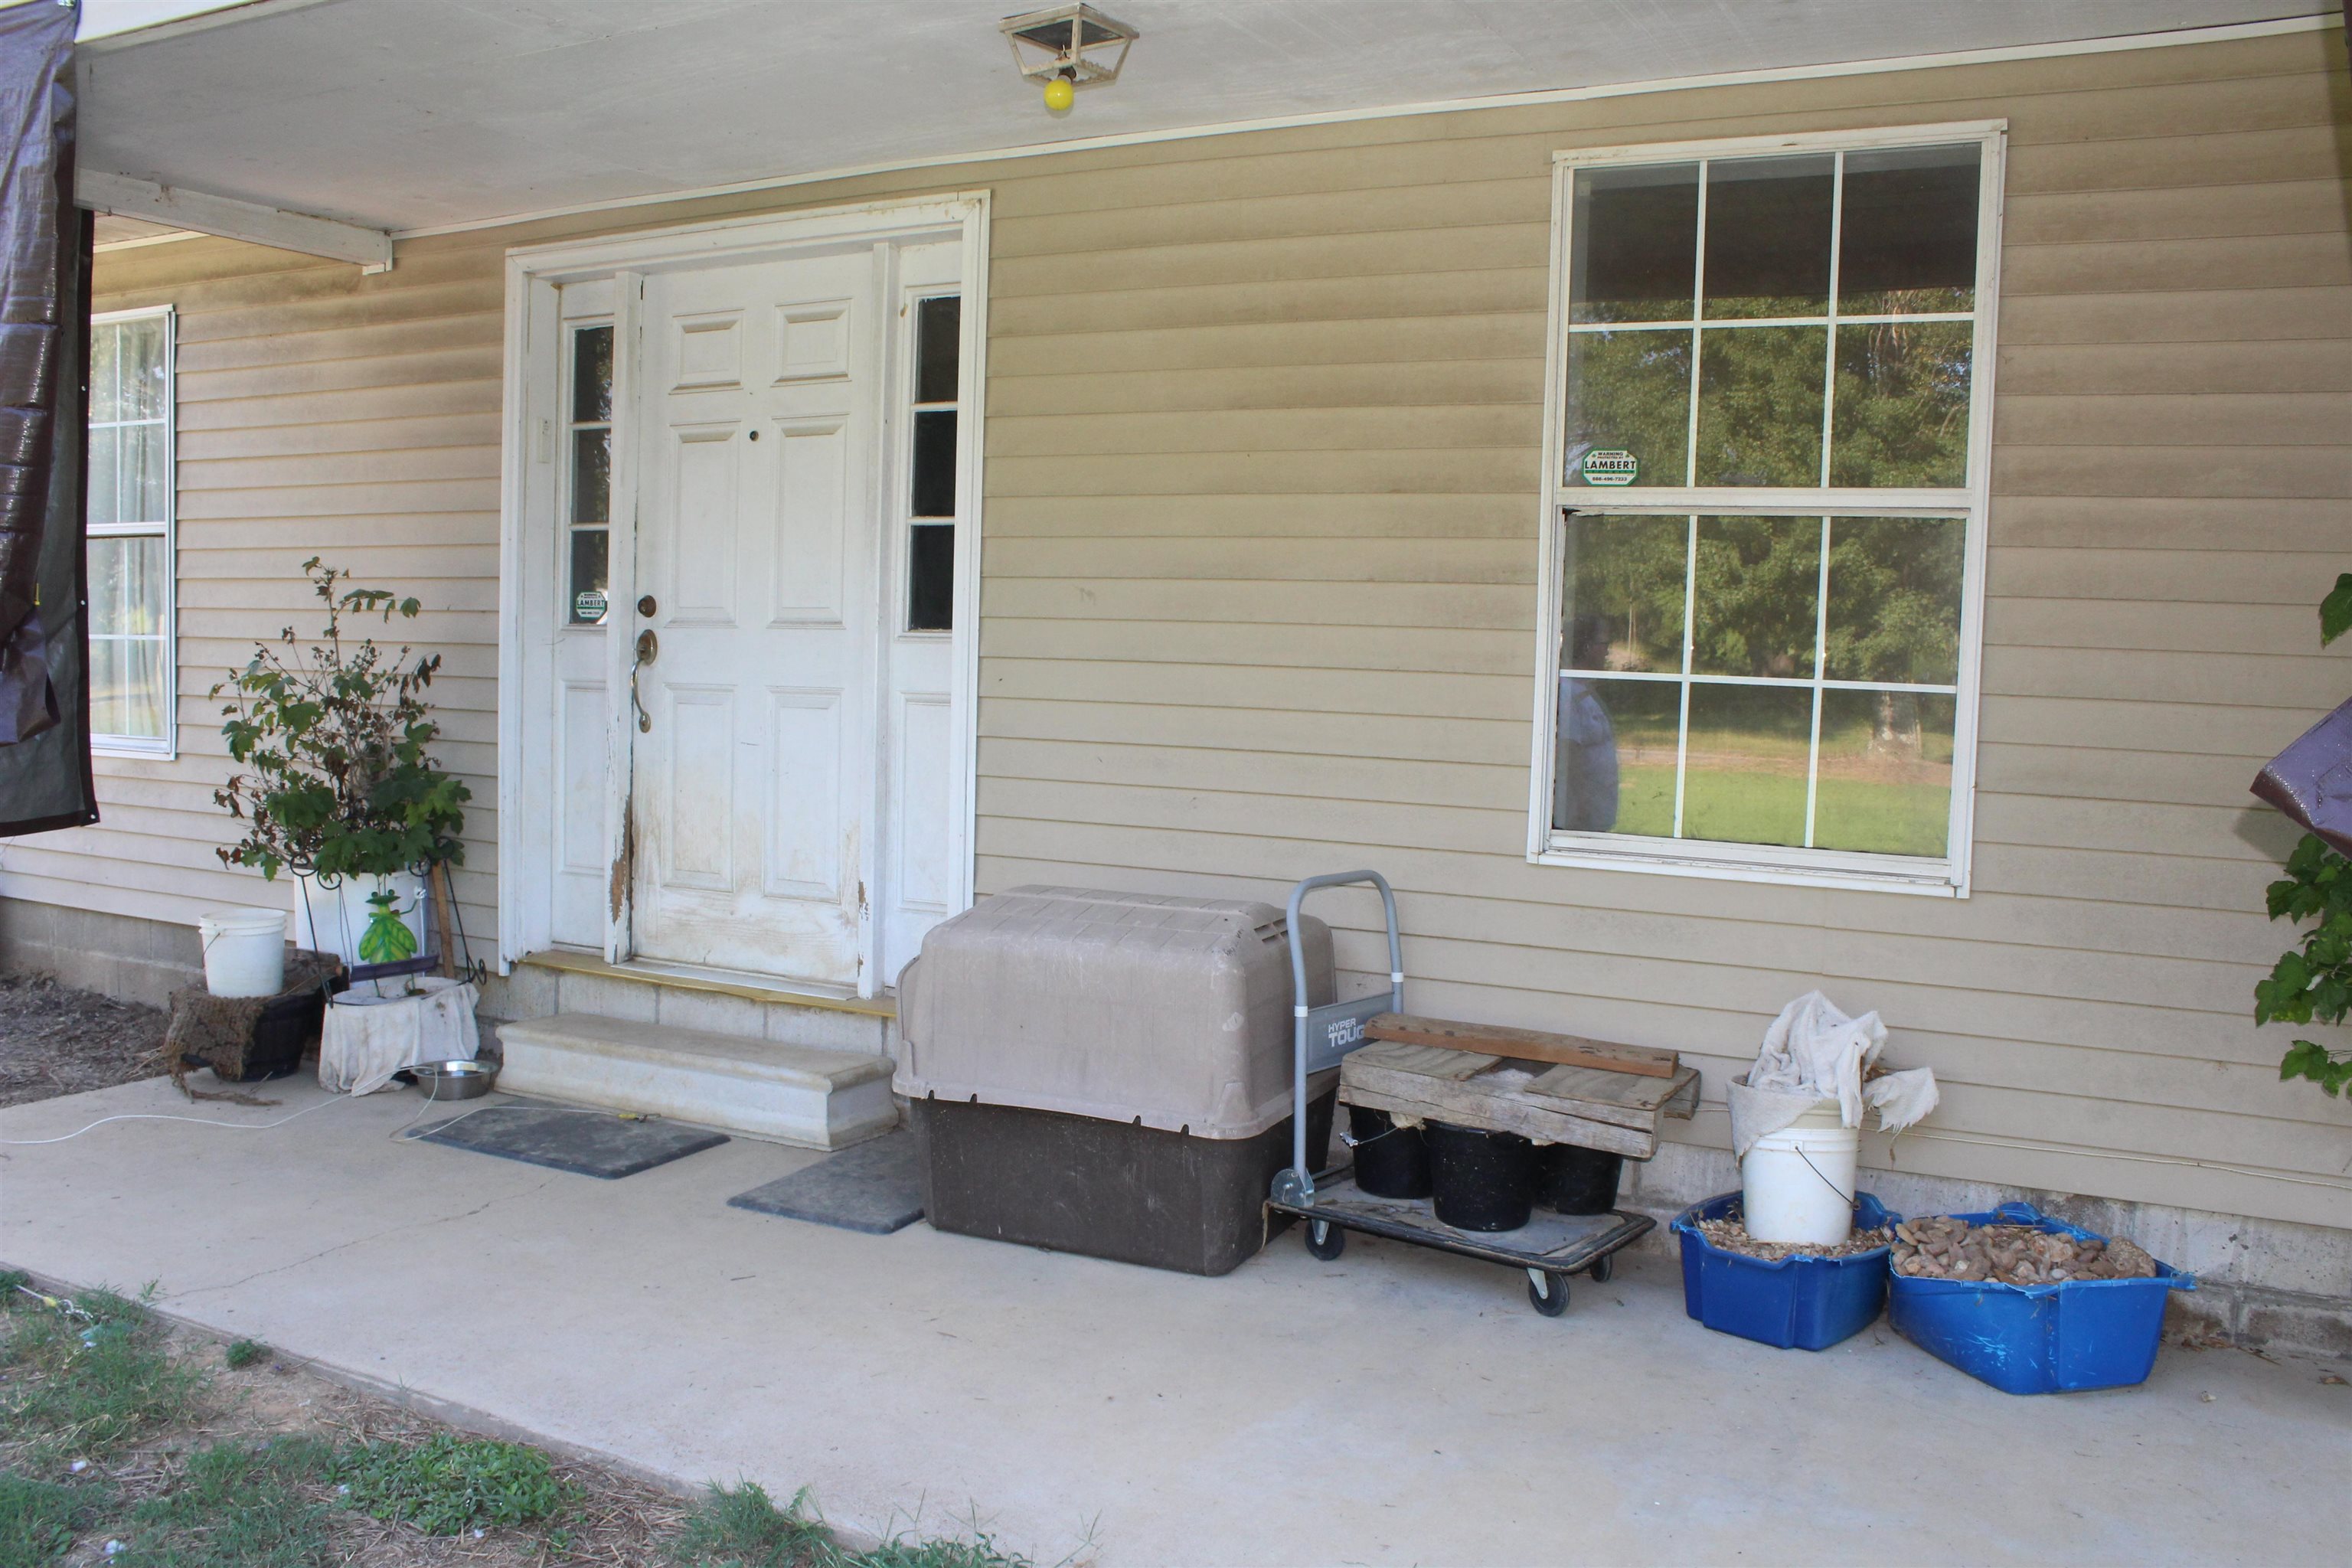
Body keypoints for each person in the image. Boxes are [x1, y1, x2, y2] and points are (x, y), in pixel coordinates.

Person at [1553, 615, 1619, 833]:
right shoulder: (1568, 695)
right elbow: (1568, 754)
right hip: (1581, 821)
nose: (1607, 651)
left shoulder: (1582, 691)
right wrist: (1582, 806)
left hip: (1594, 818)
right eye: (1604, 644)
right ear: (1587, 646)